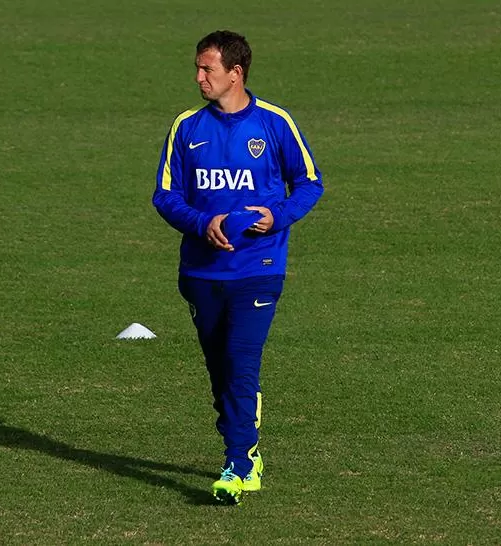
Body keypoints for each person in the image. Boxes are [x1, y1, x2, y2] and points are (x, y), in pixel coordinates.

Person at [152, 30, 324, 504]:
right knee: (220, 370)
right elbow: (165, 196)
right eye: (197, 67)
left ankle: (239, 463)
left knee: (242, 363)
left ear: (236, 72)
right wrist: (204, 223)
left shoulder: (274, 123)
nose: (198, 77)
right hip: (202, 273)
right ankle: (241, 438)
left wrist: (279, 216)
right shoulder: (186, 127)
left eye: (207, 68)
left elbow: (309, 182)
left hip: (259, 267)